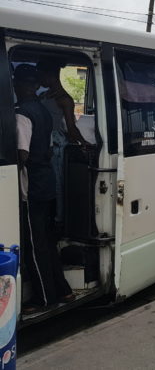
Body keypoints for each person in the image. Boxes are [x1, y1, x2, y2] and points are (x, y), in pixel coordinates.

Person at [13, 64, 73, 313]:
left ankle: (45, 299)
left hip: (32, 186)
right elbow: (48, 149)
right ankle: (63, 290)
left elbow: (22, 154)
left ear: (20, 85)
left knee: (34, 243)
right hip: (47, 181)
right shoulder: (43, 111)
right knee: (47, 241)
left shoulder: (22, 113)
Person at [36, 60, 90, 228]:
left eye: (42, 75)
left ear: (51, 76)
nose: (39, 79)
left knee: (57, 183)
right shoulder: (47, 96)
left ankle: (58, 219)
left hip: (55, 144)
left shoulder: (64, 99)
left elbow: (71, 129)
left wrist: (84, 143)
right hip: (46, 142)